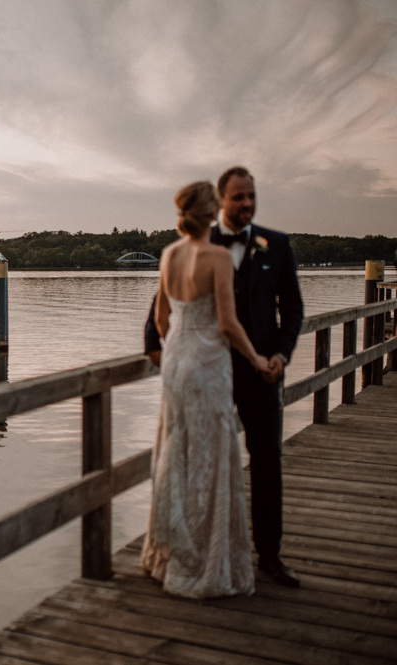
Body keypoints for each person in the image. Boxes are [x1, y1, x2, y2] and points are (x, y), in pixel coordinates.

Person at [144, 166, 304, 589]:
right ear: (218, 202)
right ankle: (199, 552)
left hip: (254, 375)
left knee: (265, 457)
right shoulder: (202, 246)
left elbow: (293, 310)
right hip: (211, 369)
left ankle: (269, 554)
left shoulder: (278, 246)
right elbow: (159, 315)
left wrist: (281, 357)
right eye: (238, 197)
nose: (247, 204)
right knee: (202, 460)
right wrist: (161, 352)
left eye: (252, 196)